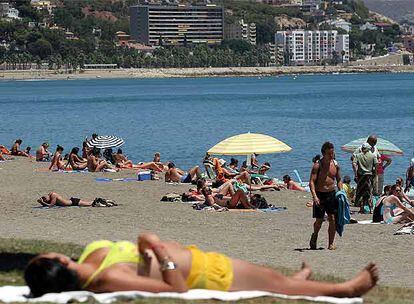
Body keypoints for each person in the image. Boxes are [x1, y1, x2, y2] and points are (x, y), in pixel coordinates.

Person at [24, 231, 379, 298]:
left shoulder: (90, 259)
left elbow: (133, 255)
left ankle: (299, 278)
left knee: (269, 276)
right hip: (203, 274)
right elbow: (172, 288)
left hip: (200, 260)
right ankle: (346, 288)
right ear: (57, 263)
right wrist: (160, 251)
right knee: (275, 283)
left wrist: (143, 242)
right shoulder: (106, 279)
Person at [309, 142, 343, 250]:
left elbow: (339, 180)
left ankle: (331, 243)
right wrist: (315, 196)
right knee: (319, 221)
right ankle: (315, 235)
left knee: (332, 218)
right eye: (329, 153)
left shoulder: (335, 165)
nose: (332, 155)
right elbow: (311, 182)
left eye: (333, 152)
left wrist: (341, 191)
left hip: (331, 194)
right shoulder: (317, 165)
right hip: (319, 194)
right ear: (324, 153)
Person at [353, 143, 378, 213]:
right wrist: (375, 173)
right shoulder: (373, 156)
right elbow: (377, 164)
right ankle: (371, 209)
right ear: (368, 149)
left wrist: (355, 173)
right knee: (369, 192)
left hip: (361, 176)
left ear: (362, 148)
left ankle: (361, 208)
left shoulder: (358, 156)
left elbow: (354, 163)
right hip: (369, 176)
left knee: (360, 192)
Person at [37, 192, 116, 208]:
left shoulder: (53, 195)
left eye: (44, 198)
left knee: (91, 204)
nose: (45, 200)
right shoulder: (50, 197)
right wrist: (43, 203)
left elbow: (51, 205)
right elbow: (49, 204)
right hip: (72, 202)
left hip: (74, 202)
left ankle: (107, 202)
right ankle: (107, 201)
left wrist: (43, 202)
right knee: (91, 203)